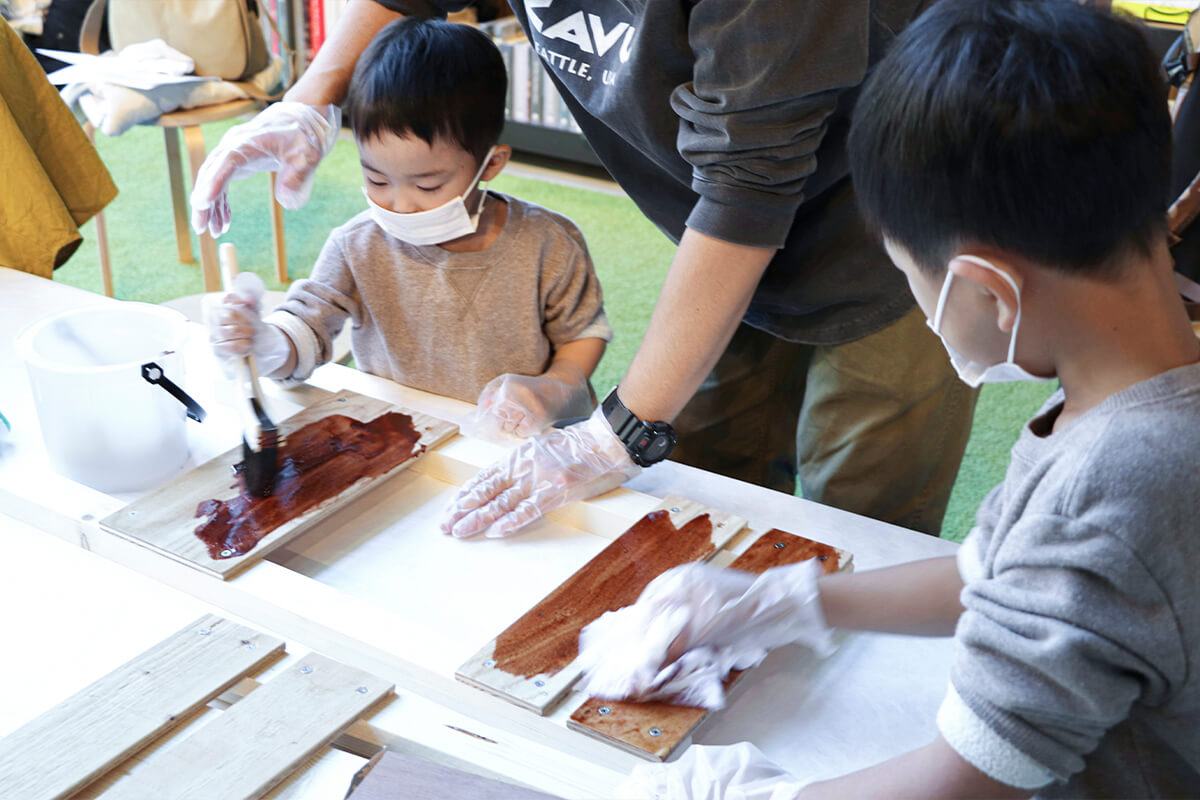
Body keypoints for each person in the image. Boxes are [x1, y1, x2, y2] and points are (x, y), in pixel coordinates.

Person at [570, 1, 1200, 796]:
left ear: (990, 293)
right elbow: (999, 576)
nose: (920, 303)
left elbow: (969, 780)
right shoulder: (1133, 405)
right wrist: (783, 600)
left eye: (911, 278)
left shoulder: (1109, 489)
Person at [191, 0, 976, 539]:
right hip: (723, 226)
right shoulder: (360, 247)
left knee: (855, 519)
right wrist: (312, 96)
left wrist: (616, 435)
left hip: (900, 219)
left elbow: (749, 186)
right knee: (697, 487)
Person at [206, 18, 611, 439]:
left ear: (490, 164)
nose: (399, 204)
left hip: (519, 444)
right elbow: (308, 329)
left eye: (427, 184)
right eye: (376, 179)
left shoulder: (548, 243)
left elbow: (582, 333)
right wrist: (266, 343)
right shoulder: (357, 245)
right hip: (402, 439)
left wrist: (555, 387)